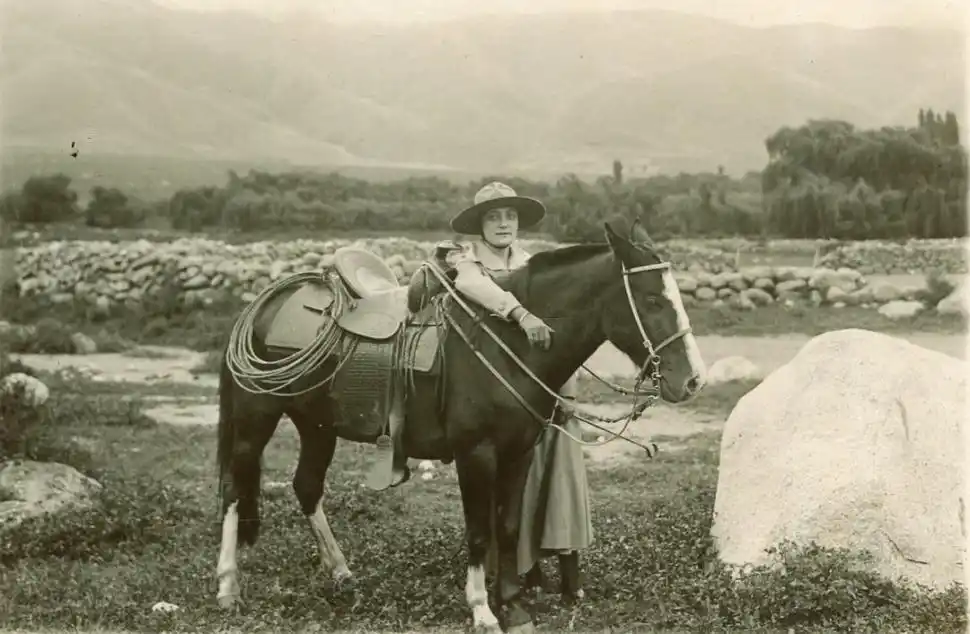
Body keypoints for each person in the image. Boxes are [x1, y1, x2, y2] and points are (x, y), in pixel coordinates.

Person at [444, 181, 593, 600]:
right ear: (480, 226)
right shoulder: (468, 263)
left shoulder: (533, 264)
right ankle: (510, 570)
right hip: (488, 389)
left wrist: (567, 386)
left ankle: (548, 570)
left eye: (509, 216)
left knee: (551, 472)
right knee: (502, 480)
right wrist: (520, 312)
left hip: (536, 386)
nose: (504, 223)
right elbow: (475, 288)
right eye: (494, 217)